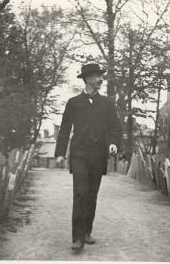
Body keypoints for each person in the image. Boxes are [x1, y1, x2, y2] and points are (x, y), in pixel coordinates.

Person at [55, 63, 122, 251]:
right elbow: (65, 128)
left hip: (98, 154)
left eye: (101, 76)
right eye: (97, 76)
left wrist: (114, 143)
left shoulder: (107, 103)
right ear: (87, 79)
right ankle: (77, 238)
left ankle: (86, 232)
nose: (101, 79)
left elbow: (115, 127)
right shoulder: (73, 102)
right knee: (80, 192)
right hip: (79, 153)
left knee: (91, 195)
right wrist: (60, 153)